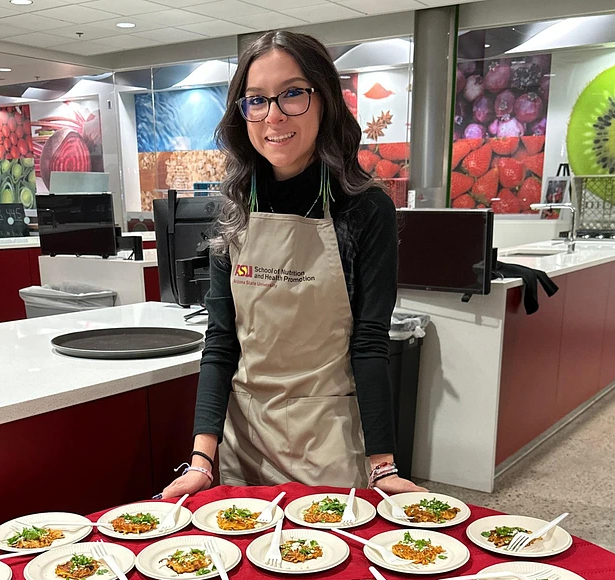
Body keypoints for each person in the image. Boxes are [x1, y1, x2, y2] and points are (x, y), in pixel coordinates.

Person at [162, 30, 423, 498]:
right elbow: (222, 343)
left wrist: (383, 466)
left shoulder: (364, 209)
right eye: (256, 100)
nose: (273, 116)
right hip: (247, 440)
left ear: (323, 100)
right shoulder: (233, 208)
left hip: (328, 440)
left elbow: (369, 343)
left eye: (292, 94)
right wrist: (203, 459)